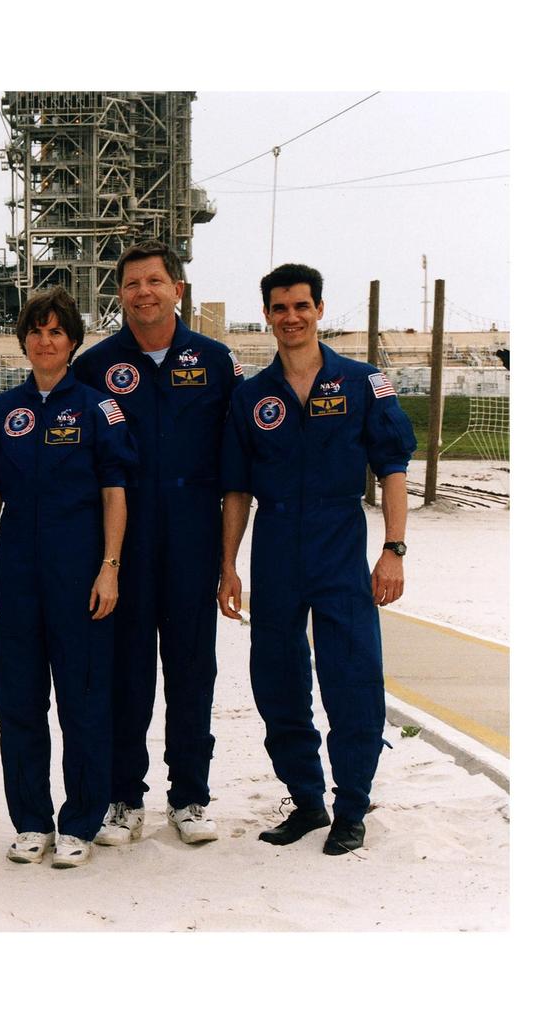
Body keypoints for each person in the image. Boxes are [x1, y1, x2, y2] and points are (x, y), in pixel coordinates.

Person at [218, 263, 416, 856]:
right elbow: (236, 490)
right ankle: (305, 800)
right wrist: (228, 565)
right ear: (268, 316)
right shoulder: (251, 396)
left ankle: (351, 805)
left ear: (320, 310)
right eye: (279, 308)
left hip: (338, 543)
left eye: (301, 306)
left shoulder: (362, 382)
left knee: (352, 675)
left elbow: (394, 468)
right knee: (277, 680)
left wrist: (394, 550)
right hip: (275, 546)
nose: (291, 317)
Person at [73, 238, 241, 846]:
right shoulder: (95, 367)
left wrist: (227, 563)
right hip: (125, 544)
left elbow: (235, 475)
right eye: (131, 284)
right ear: (119, 295)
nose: (143, 292)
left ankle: (191, 796)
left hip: (193, 541)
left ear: (178, 289)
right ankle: (124, 796)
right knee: (127, 672)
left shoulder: (216, 362)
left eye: (154, 281)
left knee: (193, 671)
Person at [0, 286, 137, 868]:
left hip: (80, 573)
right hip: (18, 573)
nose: (45, 340)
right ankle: (31, 821)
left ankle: (81, 822)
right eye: (36, 331)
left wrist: (110, 568)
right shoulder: (3, 411)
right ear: (24, 341)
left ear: (73, 342)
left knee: (84, 701)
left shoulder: (98, 408)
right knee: (18, 700)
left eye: (56, 331)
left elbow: (116, 490)